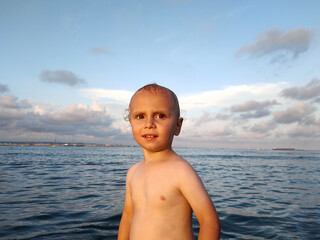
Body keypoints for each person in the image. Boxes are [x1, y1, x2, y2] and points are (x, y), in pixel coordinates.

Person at [118, 84, 220, 240]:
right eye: (140, 116)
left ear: (178, 126)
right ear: (131, 122)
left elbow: (209, 222)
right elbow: (127, 217)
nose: (149, 124)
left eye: (160, 116)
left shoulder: (181, 171)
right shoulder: (132, 172)